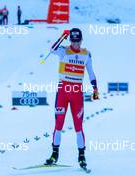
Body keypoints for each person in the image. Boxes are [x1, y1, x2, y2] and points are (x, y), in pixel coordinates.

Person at [45, 28, 99, 169]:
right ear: (70, 41)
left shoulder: (86, 54)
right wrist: (62, 37)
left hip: (76, 94)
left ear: (81, 40)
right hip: (63, 92)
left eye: (77, 41)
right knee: (58, 125)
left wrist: (95, 89)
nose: (75, 44)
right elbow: (51, 50)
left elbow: (91, 73)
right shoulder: (63, 50)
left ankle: (82, 157)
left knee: (78, 127)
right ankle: (54, 154)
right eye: (73, 41)